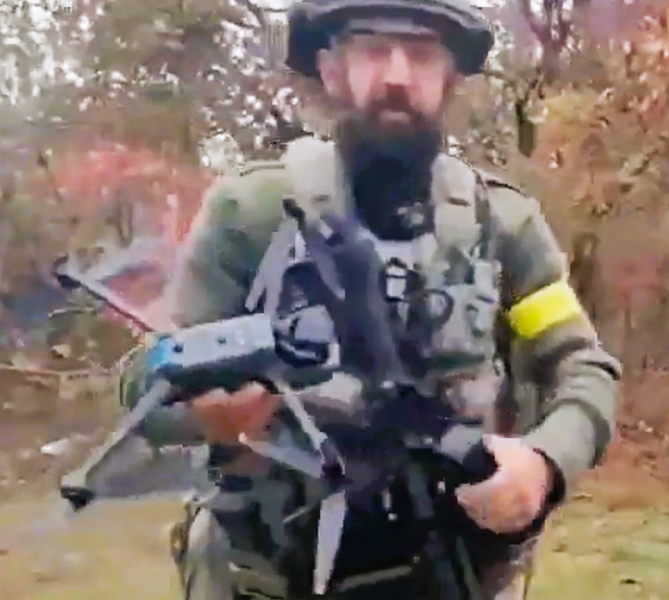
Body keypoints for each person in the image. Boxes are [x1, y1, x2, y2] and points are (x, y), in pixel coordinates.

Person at [116, 1, 623, 598]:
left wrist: (544, 463)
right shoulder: (251, 214)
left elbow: (582, 365)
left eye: (422, 54)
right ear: (332, 70)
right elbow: (145, 382)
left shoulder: (502, 225)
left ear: (449, 77)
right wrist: (202, 412)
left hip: (453, 577)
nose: (397, 76)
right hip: (270, 580)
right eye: (374, 50)